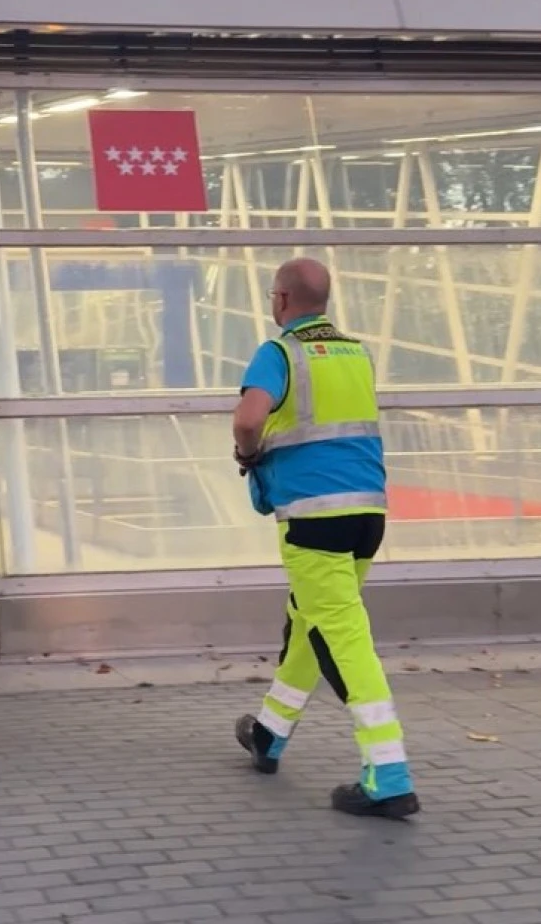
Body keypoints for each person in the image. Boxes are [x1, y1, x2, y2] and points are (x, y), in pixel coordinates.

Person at [230, 257, 419, 820]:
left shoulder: (280, 353)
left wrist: (248, 453)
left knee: (343, 640)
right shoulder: (356, 353)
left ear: (282, 300)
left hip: (314, 520)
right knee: (313, 621)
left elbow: (248, 418)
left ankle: (389, 774)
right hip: (368, 515)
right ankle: (268, 734)